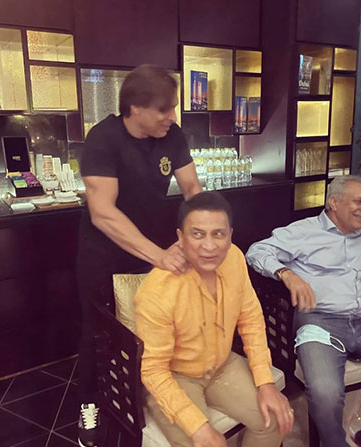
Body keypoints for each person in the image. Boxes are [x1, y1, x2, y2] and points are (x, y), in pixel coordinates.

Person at [76, 64, 202, 446]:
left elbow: (192, 188)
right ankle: (89, 402)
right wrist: (159, 256)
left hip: (154, 246)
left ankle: (144, 391)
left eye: (173, 107)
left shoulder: (172, 135)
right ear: (135, 108)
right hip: (104, 251)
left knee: (154, 325)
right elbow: (103, 212)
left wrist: (200, 235)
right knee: (100, 331)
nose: (172, 116)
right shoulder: (103, 139)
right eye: (164, 109)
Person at [135, 192, 293, 447]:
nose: (209, 246)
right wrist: (198, 428)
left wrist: (266, 383)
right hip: (176, 376)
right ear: (180, 237)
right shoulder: (157, 291)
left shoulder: (234, 258)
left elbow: (251, 319)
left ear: (230, 235)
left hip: (222, 364)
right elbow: (153, 370)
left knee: (274, 419)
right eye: (197, 234)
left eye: (218, 234)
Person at [246, 175, 361, 447]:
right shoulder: (303, 232)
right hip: (320, 321)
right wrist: (286, 274)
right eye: (358, 202)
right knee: (325, 391)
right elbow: (256, 251)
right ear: (334, 203)